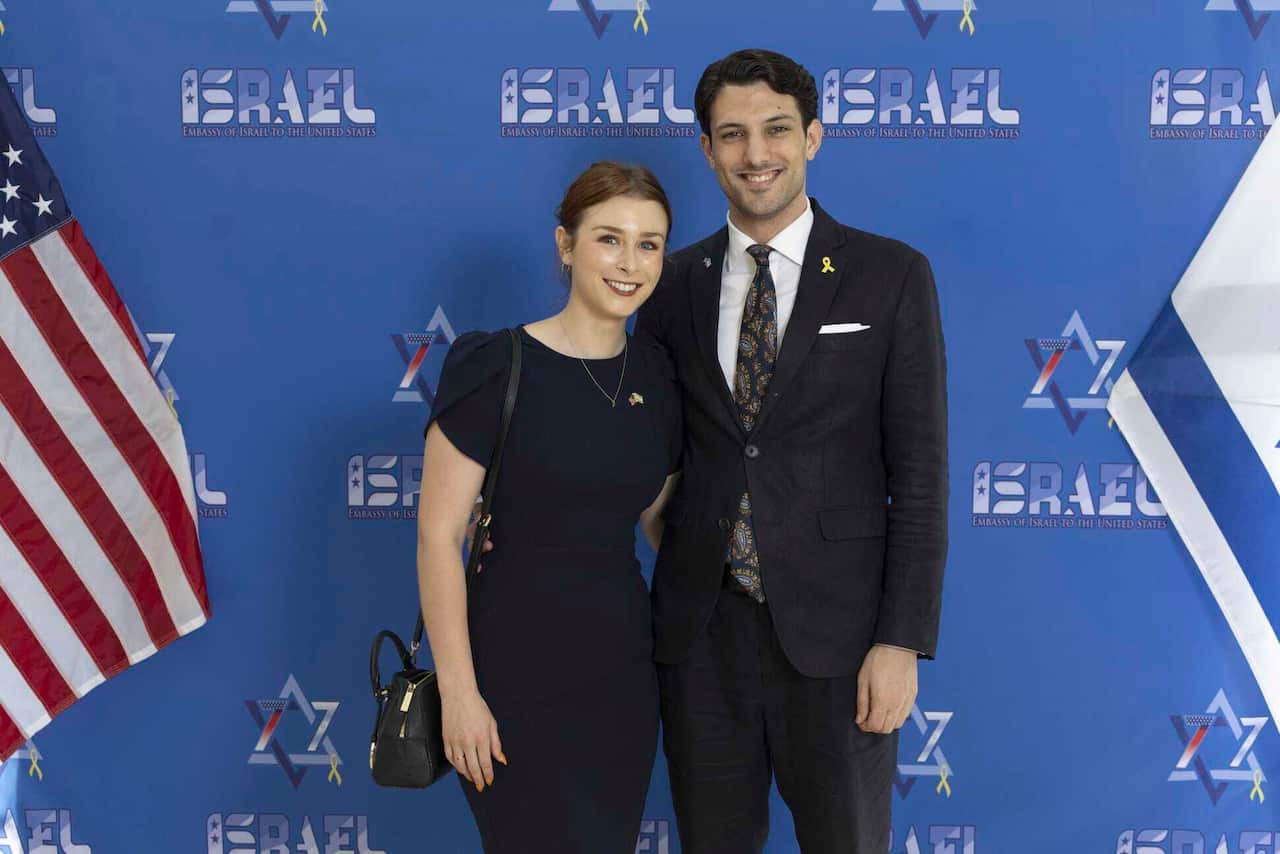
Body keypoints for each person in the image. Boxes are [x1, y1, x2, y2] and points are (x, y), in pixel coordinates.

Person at [634, 49, 949, 852]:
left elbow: (920, 477)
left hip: (843, 644)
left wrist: (899, 640)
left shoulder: (891, 275)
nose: (755, 155)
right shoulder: (670, 284)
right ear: (706, 149)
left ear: (813, 135)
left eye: (776, 130)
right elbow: (650, 450)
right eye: (732, 135)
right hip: (701, 638)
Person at [414, 161, 681, 853]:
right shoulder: (494, 366)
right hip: (510, 677)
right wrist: (460, 695)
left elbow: (661, 520)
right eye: (609, 239)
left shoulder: (659, 373)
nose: (630, 262)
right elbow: (440, 539)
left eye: (649, 243)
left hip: (621, 679)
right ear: (566, 246)